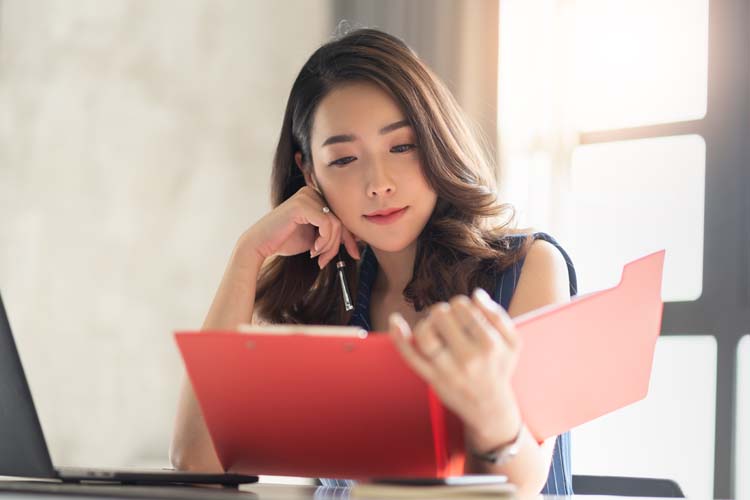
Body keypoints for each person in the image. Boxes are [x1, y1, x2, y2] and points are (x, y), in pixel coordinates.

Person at [169, 27, 577, 497]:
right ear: (308, 172)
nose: (378, 183)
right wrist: (248, 255)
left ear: (435, 142)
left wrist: (490, 406)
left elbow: (525, 486)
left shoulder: (527, 268)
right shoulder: (326, 296)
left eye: (401, 147)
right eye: (344, 159)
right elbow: (196, 463)